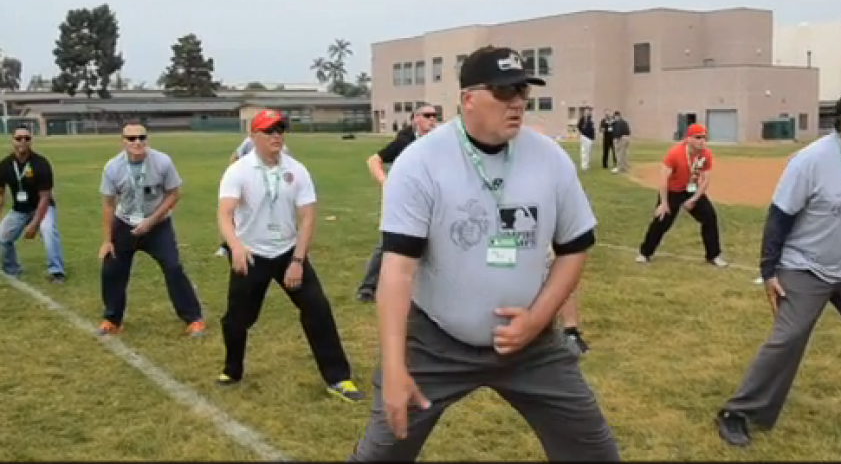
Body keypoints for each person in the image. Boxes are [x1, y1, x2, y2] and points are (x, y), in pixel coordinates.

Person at [348, 45, 620, 461]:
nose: (517, 103)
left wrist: (537, 320)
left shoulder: (549, 159)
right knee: (381, 454)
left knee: (594, 452)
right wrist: (394, 365)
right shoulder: (420, 163)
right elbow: (397, 271)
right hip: (435, 343)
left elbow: (574, 248)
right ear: (467, 98)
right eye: (504, 92)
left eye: (522, 93)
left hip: (531, 346)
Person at [716, 89, 841, 447]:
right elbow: (779, 217)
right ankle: (738, 412)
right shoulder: (811, 161)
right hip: (804, 267)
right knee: (788, 338)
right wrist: (769, 271)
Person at [215, 109, 365, 402]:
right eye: (269, 131)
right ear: (254, 136)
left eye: (280, 130)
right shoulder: (238, 171)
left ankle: (338, 378)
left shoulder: (297, 170)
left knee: (317, 309)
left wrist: (297, 261)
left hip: (288, 252)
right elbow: (225, 213)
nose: (277, 136)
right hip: (251, 254)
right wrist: (236, 247)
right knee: (237, 319)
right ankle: (232, 369)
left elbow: (307, 218)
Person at [97, 120, 205, 336]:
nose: (137, 142)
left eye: (141, 137)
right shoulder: (113, 167)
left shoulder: (162, 162)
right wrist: (108, 241)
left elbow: (174, 193)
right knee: (112, 270)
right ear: (123, 142)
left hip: (158, 225)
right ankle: (112, 319)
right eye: (131, 138)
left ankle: (193, 319)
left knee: (173, 267)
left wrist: (152, 221)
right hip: (125, 223)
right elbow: (109, 204)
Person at [356, 104, 438, 302]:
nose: (432, 120)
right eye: (427, 115)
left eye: (435, 116)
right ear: (415, 119)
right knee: (390, 242)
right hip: (404, 200)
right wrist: (387, 184)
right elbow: (373, 160)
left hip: (430, 196)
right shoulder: (404, 142)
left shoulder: (437, 142)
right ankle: (368, 287)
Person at [636, 123, 728, 268]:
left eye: (704, 138)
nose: (702, 141)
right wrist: (664, 203)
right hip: (672, 191)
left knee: (709, 217)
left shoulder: (706, 154)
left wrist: (694, 199)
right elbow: (663, 179)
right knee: (662, 221)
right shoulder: (675, 153)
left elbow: (706, 180)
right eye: (698, 138)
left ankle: (713, 255)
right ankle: (645, 253)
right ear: (688, 139)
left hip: (691, 189)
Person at [0, 127, 66, 283]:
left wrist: (35, 224)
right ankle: (12, 269)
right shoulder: (5, 165)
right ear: (12, 140)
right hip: (19, 209)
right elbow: (1, 193)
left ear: (31, 140)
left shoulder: (41, 163)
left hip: (42, 207)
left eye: (26, 138)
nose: (22, 141)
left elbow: (45, 197)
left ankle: (56, 271)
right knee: (2, 237)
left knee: (48, 231)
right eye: (19, 138)